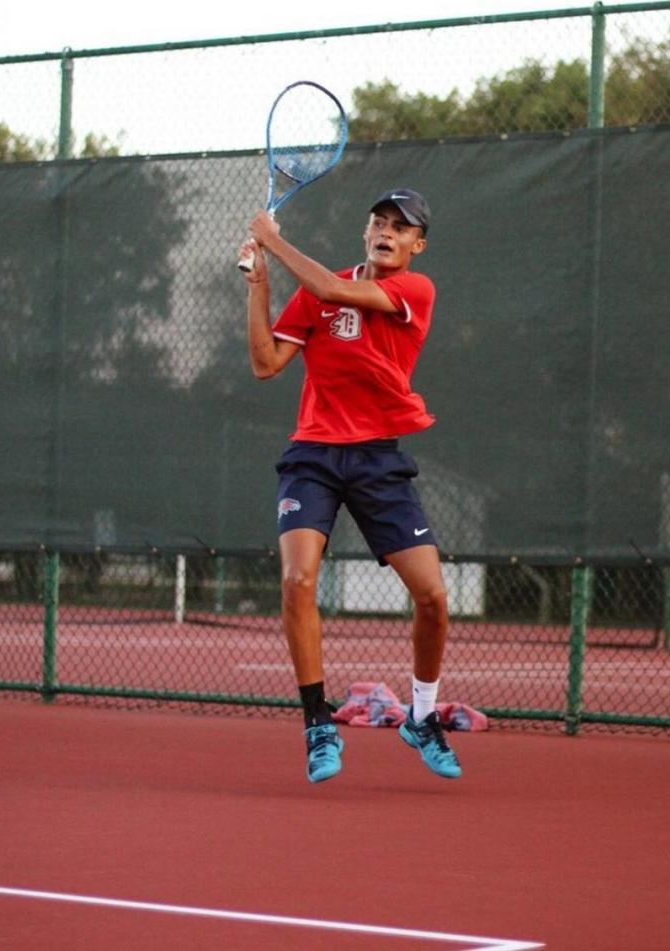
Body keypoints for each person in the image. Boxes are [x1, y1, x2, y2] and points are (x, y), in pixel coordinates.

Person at [239, 188, 461, 784]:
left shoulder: (415, 290)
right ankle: (317, 722)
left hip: (377, 461)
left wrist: (272, 238)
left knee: (434, 599)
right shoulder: (318, 291)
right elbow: (265, 363)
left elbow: (335, 291)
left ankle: (421, 716)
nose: (388, 232)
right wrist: (258, 286)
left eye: (401, 228)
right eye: (379, 223)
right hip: (313, 454)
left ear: (417, 245)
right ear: (365, 233)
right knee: (296, 580)